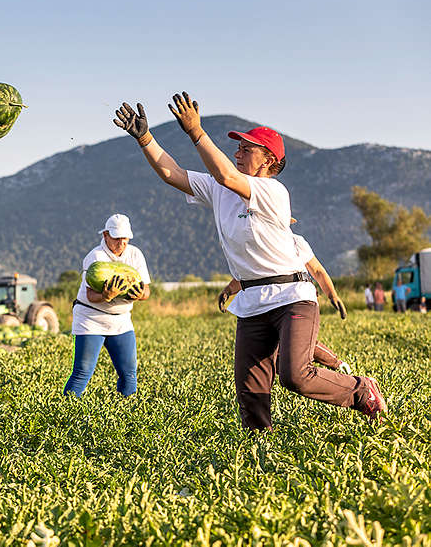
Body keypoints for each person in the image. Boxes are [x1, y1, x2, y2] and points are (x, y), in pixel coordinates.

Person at [113, 92, 385, 428]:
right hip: (253, 303)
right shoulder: (218, 189)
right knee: (251, 393)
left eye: (246, 149)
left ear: (269, 160)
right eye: (237, 148)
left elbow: (228, 176)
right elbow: (174, 174)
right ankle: (260, 454)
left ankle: (360, 390)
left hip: (292, 298)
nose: (238, 152)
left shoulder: (273, 191)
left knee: (295, 376)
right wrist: (145, 138)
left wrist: (196, 133)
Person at [219, 234, 352, 375]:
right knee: (277, 350)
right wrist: (228, 291)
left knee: (298, 343)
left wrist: (333, 295)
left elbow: (317, 270)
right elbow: (248, 275)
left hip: (293, 298)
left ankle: (337, 366)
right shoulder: (257, 245)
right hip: (262, 303)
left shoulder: (294, 241)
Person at [64, 214, 151, 397]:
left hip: (121, 321)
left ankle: (125, 415)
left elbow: (147, 290)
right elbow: (90, 295)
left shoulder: (135, 254)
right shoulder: (95, 257)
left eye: (125, 239)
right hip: (91, 318)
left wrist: (141, 295)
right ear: (105, 235)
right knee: (82, 373)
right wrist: (105, 295)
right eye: (116, 238)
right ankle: (63, 417)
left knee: (129, 375)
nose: (121, 244)